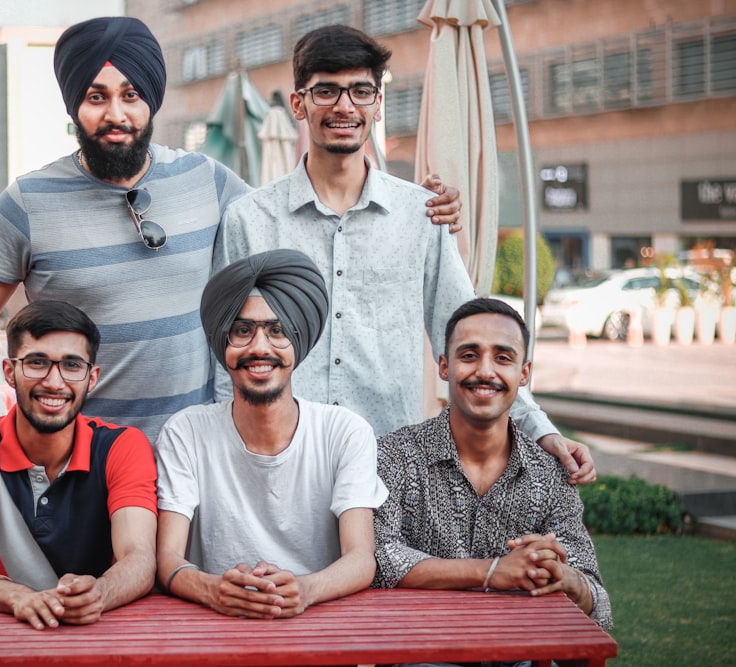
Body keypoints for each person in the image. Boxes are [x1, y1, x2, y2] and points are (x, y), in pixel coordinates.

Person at [0, 16, 461, 469]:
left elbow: (302, 215)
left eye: (131, 95)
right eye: (95, 96)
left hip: (197, 458)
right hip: (77, 462)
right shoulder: (25, 204)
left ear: (152, 101)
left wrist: (421, 206)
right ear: (73, 106)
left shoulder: (210, 182)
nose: (116, 114)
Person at [213, 24, 595, 484]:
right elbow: (223, 353)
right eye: (326, 91)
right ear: (299, 103)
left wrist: (540, 430)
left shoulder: (422, 216)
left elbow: (470, 337)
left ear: (377, 104)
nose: (344, 106)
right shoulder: (248, 219)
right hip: (275, 462)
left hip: (387, 468)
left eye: (360, 91)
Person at [155, 249, 388, 618]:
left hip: (318, 625)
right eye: (242, 331)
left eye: (277, 331)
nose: (260, 348)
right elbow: (167, 559)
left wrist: (305, 589)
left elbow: (361, 559)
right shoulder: (186, 432)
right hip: (212, 629)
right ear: (223, 343)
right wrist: (213, 590)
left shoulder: (344, 431)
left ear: (298, 342)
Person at [373, 297, 612, 634]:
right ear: (444, 366)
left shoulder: (551, 474)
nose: (485, 371)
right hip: (422, 652)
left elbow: (597, 604)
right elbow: (378, 559)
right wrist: (492, 571)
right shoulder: (394, 455)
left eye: (503, 358)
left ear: (524, 372)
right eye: (469, 355)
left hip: (523, 655)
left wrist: (564, 577)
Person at [0, 299, 158, 629]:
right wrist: (16, 597)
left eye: (72, 366)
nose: (54, 381)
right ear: (10, 371)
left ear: (92, 378)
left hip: (94, 630)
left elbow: (139, 556)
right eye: (37, 363)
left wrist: (99, 594)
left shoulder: (123, 447)